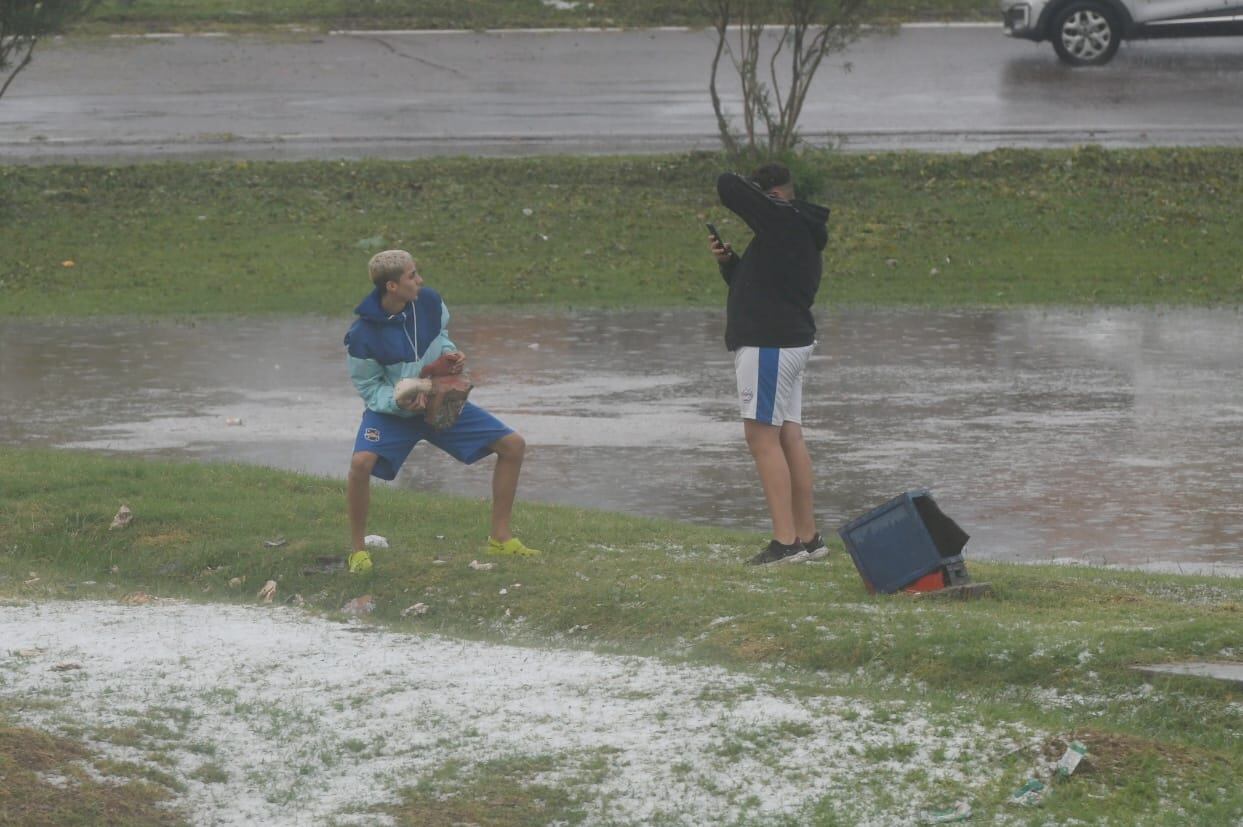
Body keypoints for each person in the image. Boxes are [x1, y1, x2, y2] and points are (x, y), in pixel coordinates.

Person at [343, 249, 540, 573]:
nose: (420, 281)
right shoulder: (361, 335)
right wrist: (399, 400)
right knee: (360, 464)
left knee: (513, 445)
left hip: (439, 401)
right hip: (392, 415)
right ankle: (358, 551)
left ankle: (500, 538)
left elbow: (442, 338)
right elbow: (368, 389)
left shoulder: (430, 302)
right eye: (412, 275)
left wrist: (450, 356)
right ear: (392, 286)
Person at [711, 162, 831, 565]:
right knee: (788, 436)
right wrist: (731, 264)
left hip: (769, 345)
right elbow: (764, 287)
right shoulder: (794, 232)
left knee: (761, 438)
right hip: (788, 342)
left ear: (774, 196)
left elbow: (727, 184)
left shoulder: (783, 219)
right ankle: (808, 538)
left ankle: (785, 543)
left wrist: (755, 192)